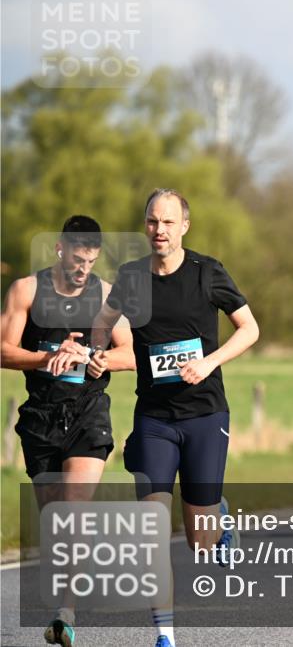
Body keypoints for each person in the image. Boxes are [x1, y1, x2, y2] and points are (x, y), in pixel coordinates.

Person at [90, 189, 259, 647]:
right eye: (152, 221)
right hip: (154, 419)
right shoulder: (131, 277)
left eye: (167, 222)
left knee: (198, 541)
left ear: (184, 226)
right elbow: (103, 324)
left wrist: (209, 362)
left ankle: (219, 521)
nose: (159, 230)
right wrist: (97, 351)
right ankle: (165, 635)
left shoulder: (208, 272)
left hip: (204, 414)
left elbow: (250, 328)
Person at [0, 215, 135, 647]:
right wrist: (48, 358)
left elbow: (130, 352)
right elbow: (3, 350)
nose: (83, 270)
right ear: (60, 248)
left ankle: (66, 613)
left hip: (88, 412)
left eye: (91, 262)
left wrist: (99, 359)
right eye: (77, 260)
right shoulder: (27, 290)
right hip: (41, 416)